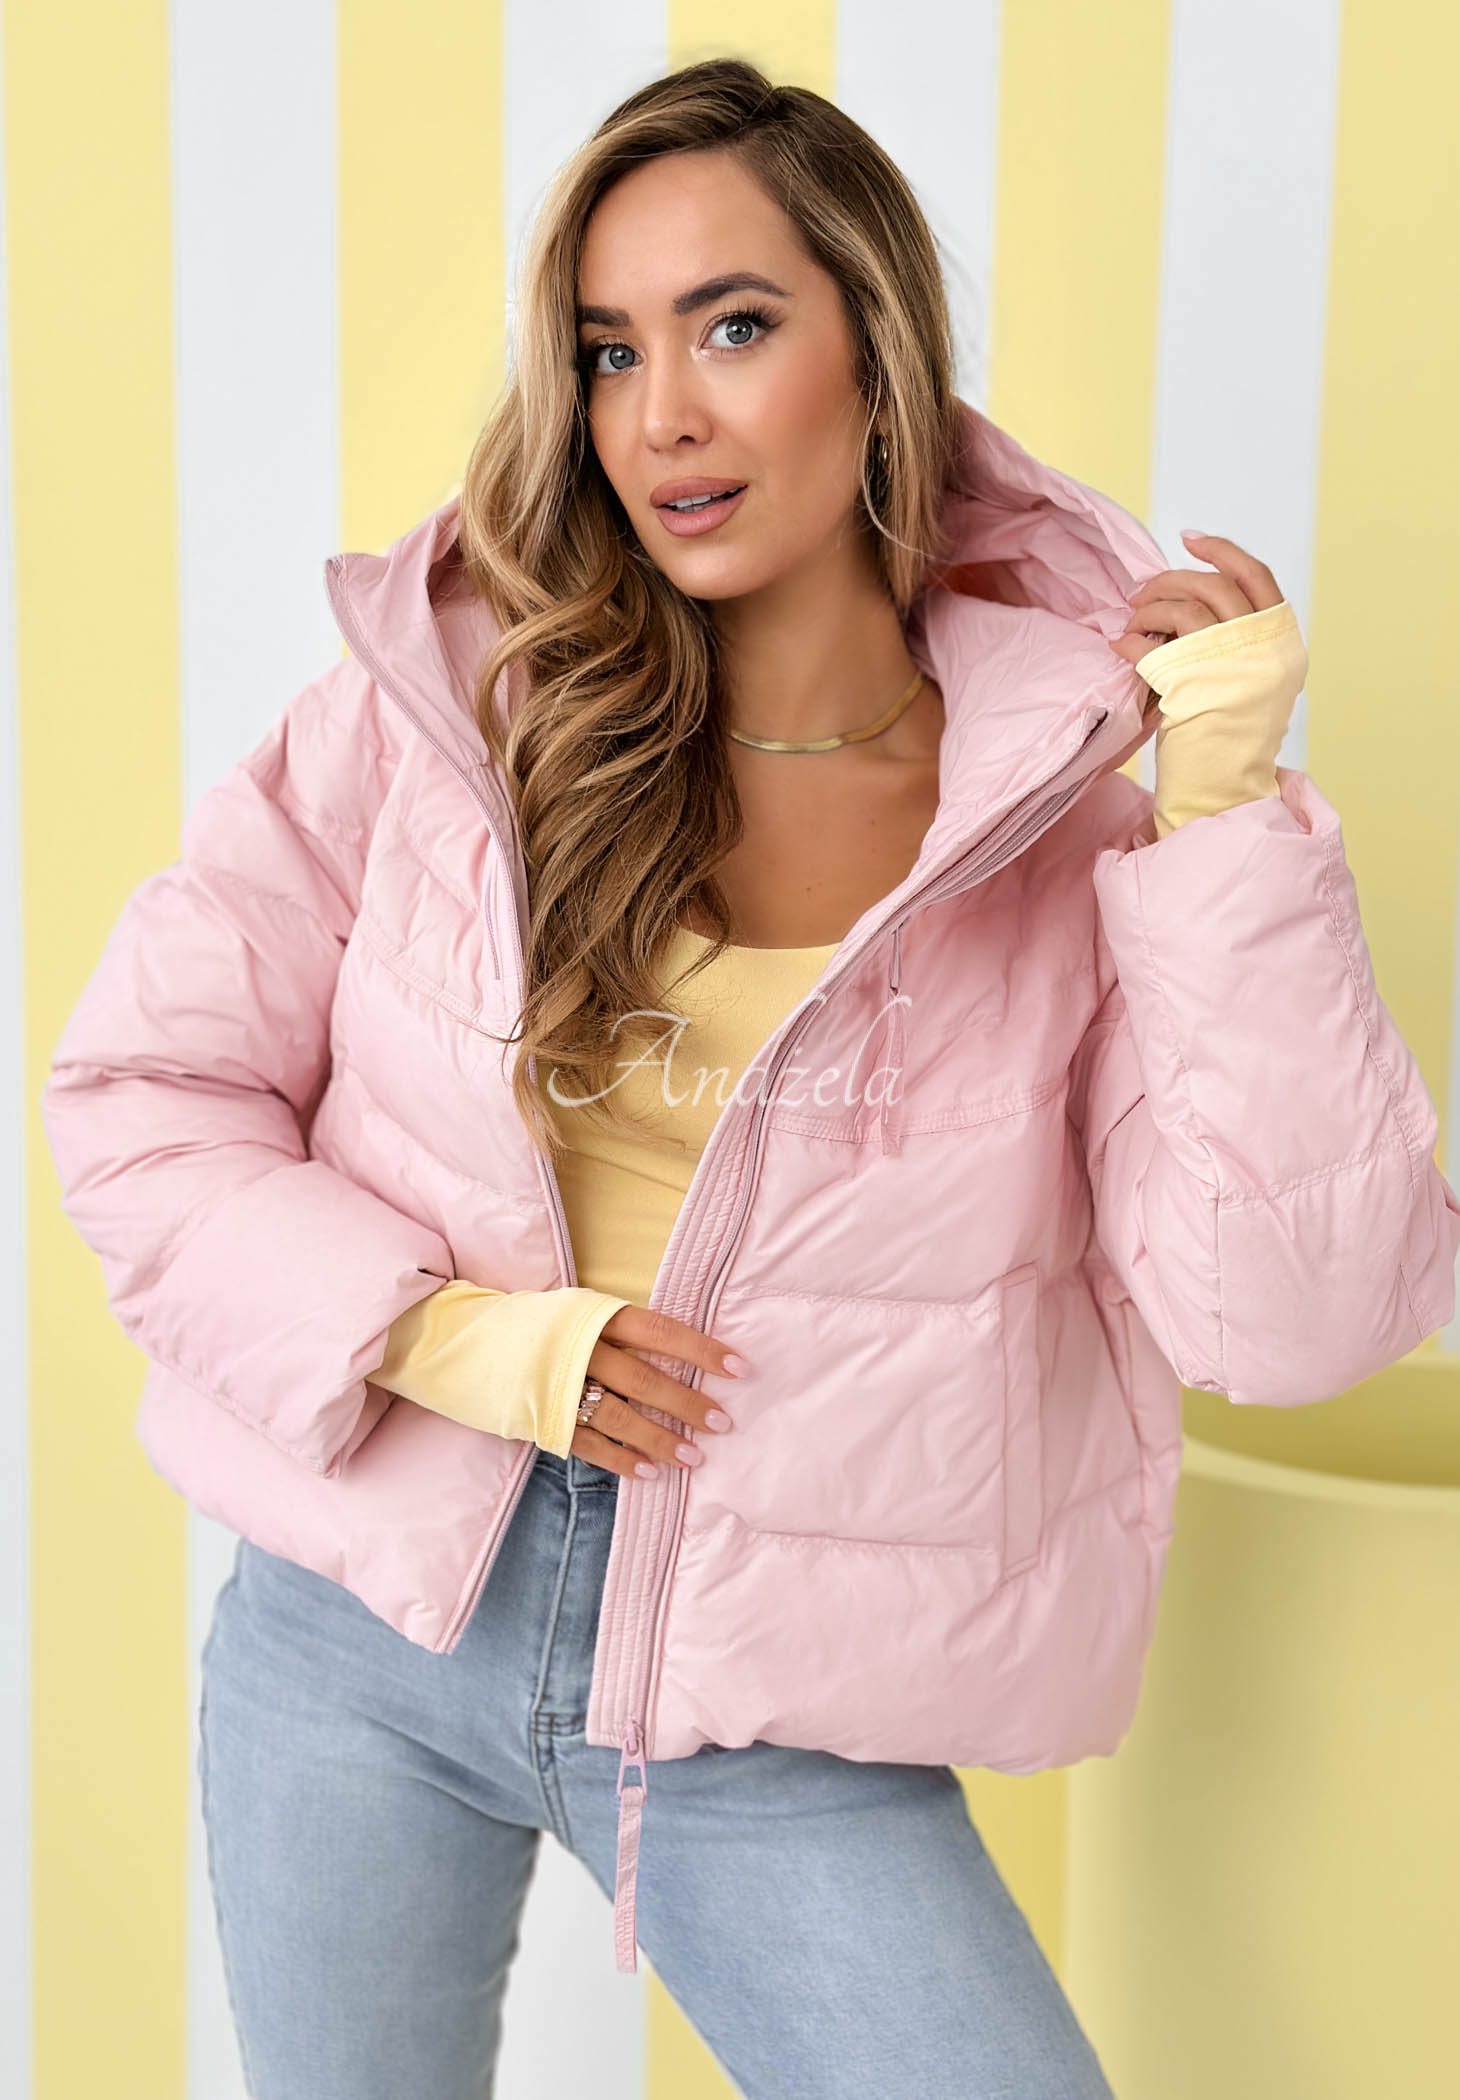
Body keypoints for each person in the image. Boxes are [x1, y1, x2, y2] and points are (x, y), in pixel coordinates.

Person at [40, 55, 1458, 2100]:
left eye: (731, 327)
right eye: (609, 351)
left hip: (770, 1715)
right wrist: (448, 1338)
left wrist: (1226, 822)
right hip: (360, 1624)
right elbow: (142, 1101)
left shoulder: (1060, 834)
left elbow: (1294, 1321)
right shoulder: (447, 722)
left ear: (876, 360)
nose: (661, 418)